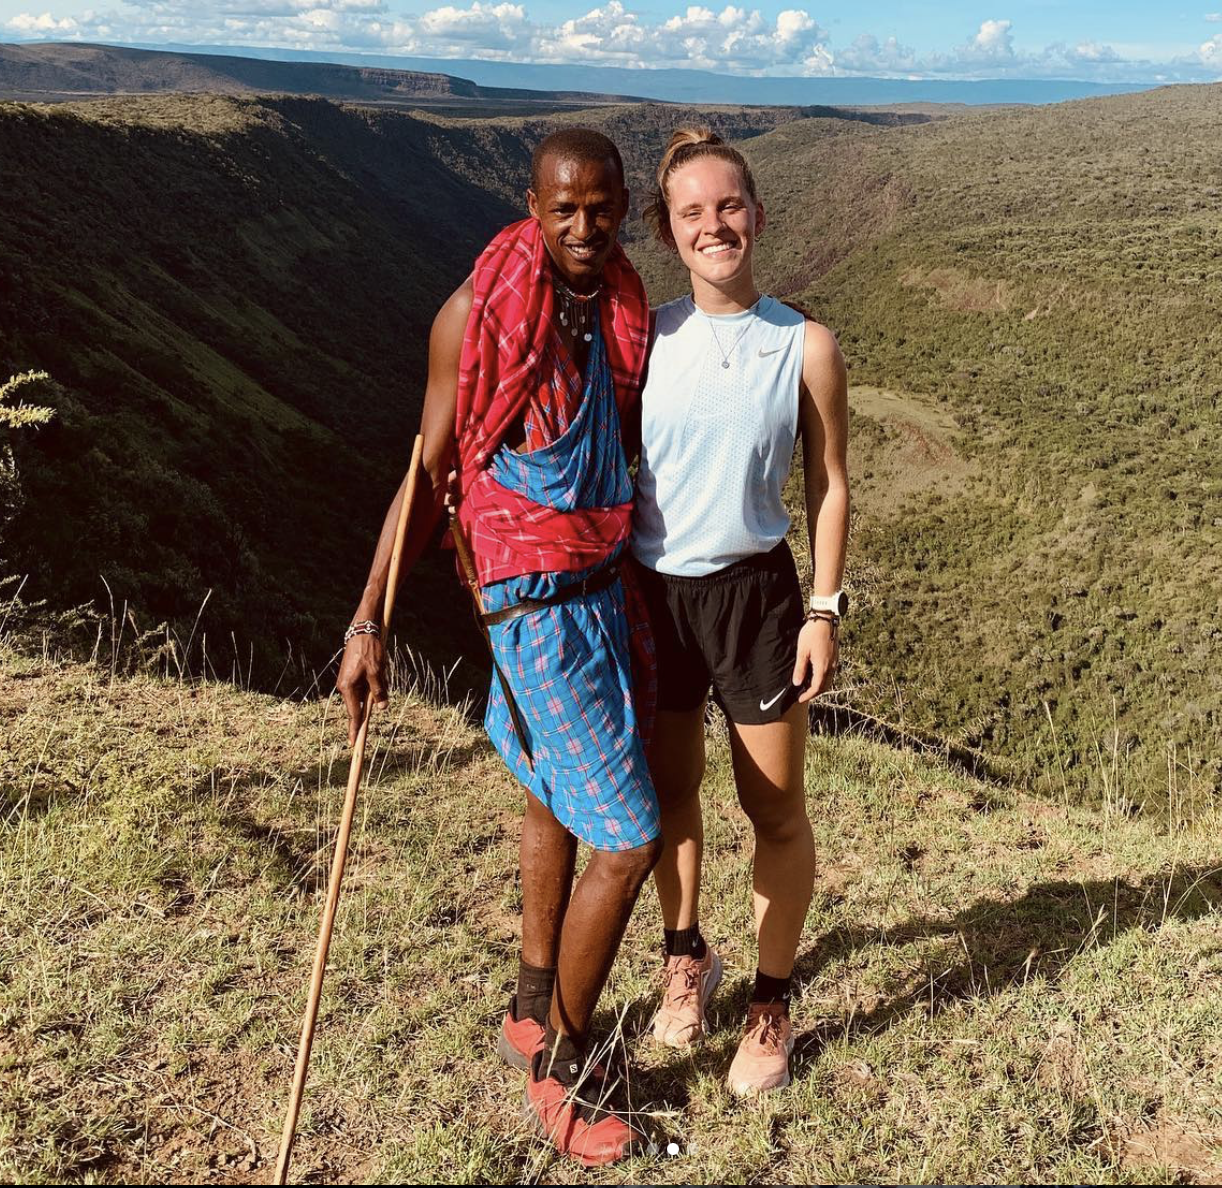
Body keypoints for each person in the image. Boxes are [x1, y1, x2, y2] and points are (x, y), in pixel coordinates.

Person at [335, 128, 662, 1165]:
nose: (583, 227)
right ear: (531, 204)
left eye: (600, 207)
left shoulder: (622, 302)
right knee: (629, 838)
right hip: (532, 605)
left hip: (603, 584)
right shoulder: (476, 313)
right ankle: (564, 1067)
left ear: (623, 205)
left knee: (555, 795)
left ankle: (530, 1002)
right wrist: (370, 618)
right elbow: (430, 471)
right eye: (563, 209)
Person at [631, 127, 850, 1095]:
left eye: (728, 206)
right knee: (670, 794)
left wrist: (823, 608)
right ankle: (686, 958)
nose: (713, 225)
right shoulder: (645, 337)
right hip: (655, 592)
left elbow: (830, 482)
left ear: (757, 214)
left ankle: (771, 1002)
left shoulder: (803, 345)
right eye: (693, 212)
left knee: (774, 810)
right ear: (668, 231)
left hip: (757, 597)